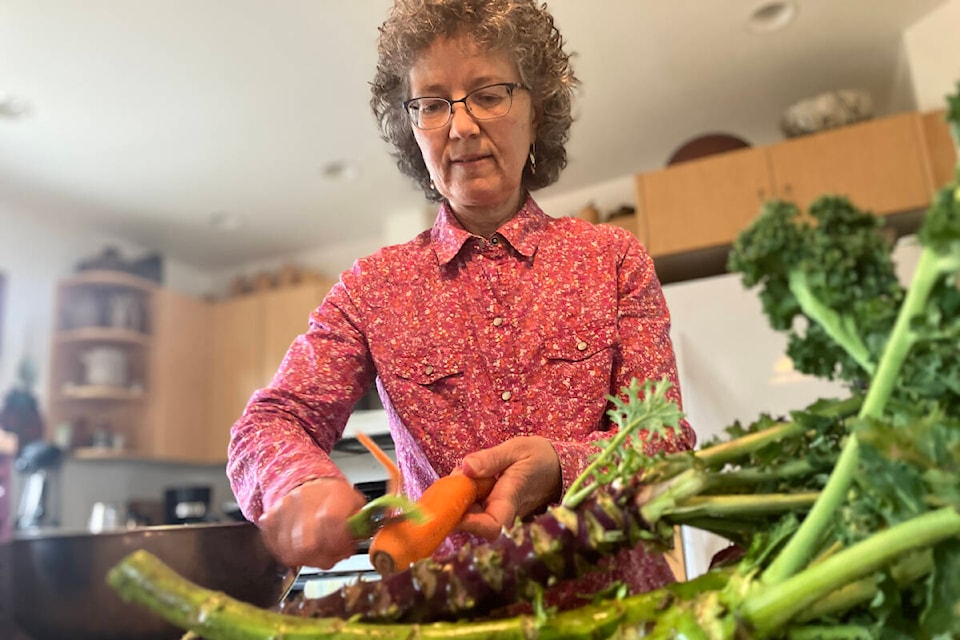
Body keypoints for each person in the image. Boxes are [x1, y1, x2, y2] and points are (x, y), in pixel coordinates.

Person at [227, 0, 696, 601]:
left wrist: (560, 464)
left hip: (619, 607)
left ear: (537, 109)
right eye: (432, 104)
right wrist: (299, 482)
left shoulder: (613, 260)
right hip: (454, 614)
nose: (462, 125)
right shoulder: (372, 288)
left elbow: (666, 444)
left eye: (489, 93)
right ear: (411, 127)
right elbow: (270, 422)